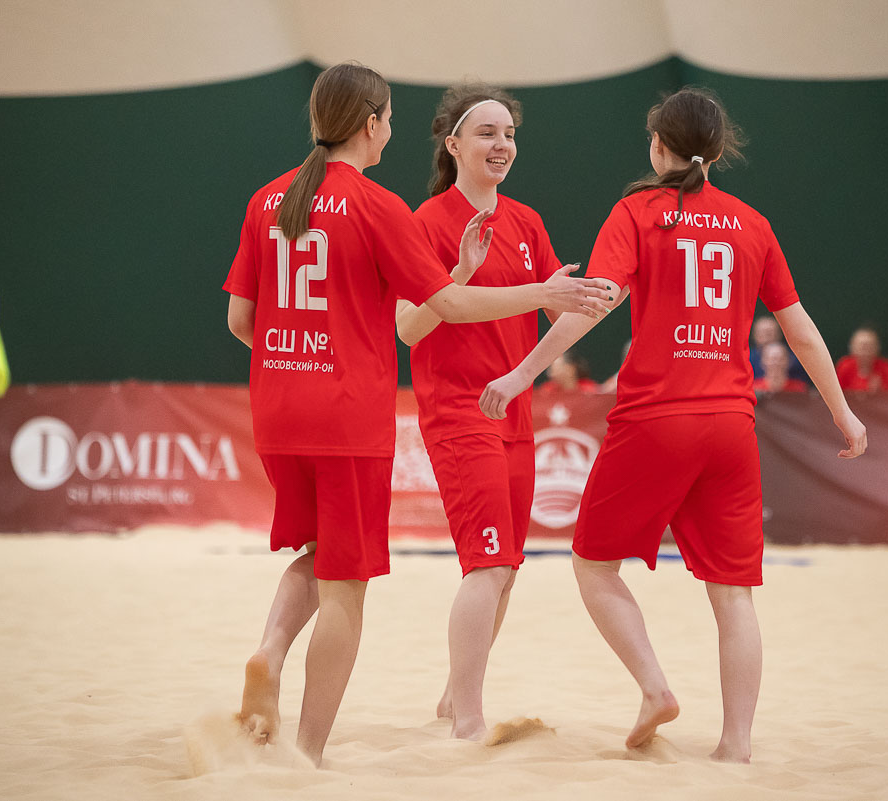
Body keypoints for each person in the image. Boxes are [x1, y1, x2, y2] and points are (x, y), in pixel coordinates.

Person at [222, 62, 611, 766]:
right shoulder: (382, 207)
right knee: (347, 582)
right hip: (354, 413)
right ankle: (309, 754)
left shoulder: (265, 198)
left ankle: (270, 650)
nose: (390, 132)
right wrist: (537, 293)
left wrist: (299, 356)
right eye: (389, 120)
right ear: (372, 124)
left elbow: (241, 322)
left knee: (320, 553)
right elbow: (437, 313)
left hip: (278, 408)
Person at [478, 87, 867, 761]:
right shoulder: (752, 223)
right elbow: (800, 330)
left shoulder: (636, 212)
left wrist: (521, 374)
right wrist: (842, 411)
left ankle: (655, 686)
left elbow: (593, 304)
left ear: (658, 145)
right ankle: (736, 744)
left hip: (656, 419)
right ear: (717, 150)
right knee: (735, 597)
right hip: (731, 426)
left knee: (593, 564)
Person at [393, 84, 566, 740]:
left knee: (506, 569)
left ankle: (450, 698)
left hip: (514, 413)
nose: (503, 144)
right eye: (488, 133)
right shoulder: (427, 222)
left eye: (510, 134)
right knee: (487, 564)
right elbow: (408, 329)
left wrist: (596, 291)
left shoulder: (527, 222)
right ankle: (468, 720)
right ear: (454, 144)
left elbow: (557, 305)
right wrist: (461, 273)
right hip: (458, 410)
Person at [834, 326, 888, 392]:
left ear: (877, 347)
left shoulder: (886, 368)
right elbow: (835, 391)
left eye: (870, 346)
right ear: (852, 347)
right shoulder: (844, 366)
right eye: (862, 347)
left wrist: (880, 390)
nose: (865, 351)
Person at [750, 313, 808, 383]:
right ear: (755, 335)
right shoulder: (748, 359)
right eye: (762, 333)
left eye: (770, 333)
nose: (766, 337)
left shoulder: (796, 360)